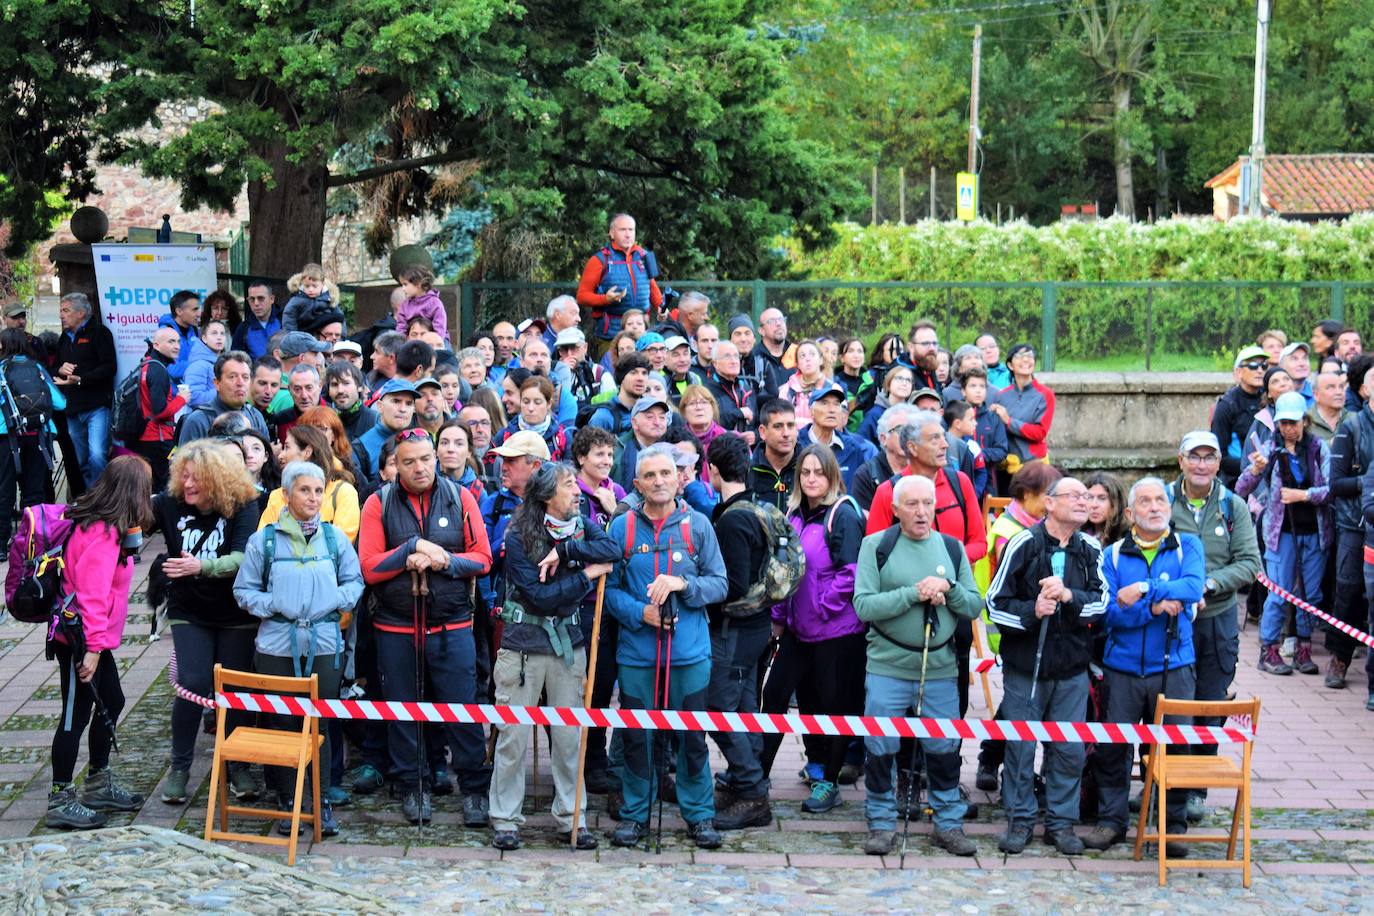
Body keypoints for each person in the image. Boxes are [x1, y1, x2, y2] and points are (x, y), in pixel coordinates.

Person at [358, 428, 493, 826]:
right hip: (395, 627)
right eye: (409, 461)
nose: (419, 468)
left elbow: (483, 559)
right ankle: (412, 786)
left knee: (462, 710)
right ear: (394, 466)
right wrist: (411, 550)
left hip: (452, 626)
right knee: (402, 712)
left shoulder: (461, 496)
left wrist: (443, 561)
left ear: (436, 458)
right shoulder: (377, 503)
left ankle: (473, 789)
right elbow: (369, 568)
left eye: (425, 459)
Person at [488, 462, 619, 851]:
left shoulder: (580, 525)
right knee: (512, 738)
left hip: (569, 648)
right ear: (547, 495)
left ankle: (571, 817)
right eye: (568, 486)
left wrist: (567, 551)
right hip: (523, 648)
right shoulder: (517, 537)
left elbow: (614, 549)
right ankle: (505, 820)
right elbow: (541, 597)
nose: (578, 492)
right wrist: (587, 575)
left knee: (568, 739)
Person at [603, 443, 728, 849]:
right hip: (638, 654)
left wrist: (683, 585)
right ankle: (636, 813)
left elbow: (720, 584)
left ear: (679, 479)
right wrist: (642, 613)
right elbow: (608, 591)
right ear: (636, 483)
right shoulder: (620, 528)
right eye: (650, 476)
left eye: (666, 474)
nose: (659, 482)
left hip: (689, 654)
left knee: (692, 738)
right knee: (638, 739)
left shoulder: (699, 526)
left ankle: (699, 814)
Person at [854, 474, 983, 857]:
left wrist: (950, 591)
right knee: (880, 747)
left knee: (944, 749)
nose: (922, 511)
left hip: (940, 667)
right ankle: (880, 822)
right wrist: (913, 595)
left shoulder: (952, 548)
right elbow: (864, 606)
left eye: (928, 503)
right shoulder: (875, 546)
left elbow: (975, 606)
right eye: (912, 504)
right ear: (895, 510)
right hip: (887, 665)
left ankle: (948, 823)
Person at [234, 459, 364, 835]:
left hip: (323, 642)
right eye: (305, 490)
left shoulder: (335, 539)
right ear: (287, 495)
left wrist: (334, 599)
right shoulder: (265, 540)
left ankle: (321, 800)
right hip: (277, 644)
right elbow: (243, 591)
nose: (313, 497)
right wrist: (272, 604)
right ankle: (289, 799)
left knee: (319, 722)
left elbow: (355, 582)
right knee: (283, 720)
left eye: (319, 491)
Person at [986, 476, 1106, 856]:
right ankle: (1020, 819)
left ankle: (1060, 822)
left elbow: (1101, 603)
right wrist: (1032, 612)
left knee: (1068, 749)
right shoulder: (1023, 543)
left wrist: (1069, 597)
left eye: (1087, 497)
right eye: (1075, 496)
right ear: (1049, 504)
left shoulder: (1090, 548)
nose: (1084, 502)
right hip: (1027, 667)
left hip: (1071, 668)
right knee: (1020, 747)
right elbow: (993, 603)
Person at [1083, 477, 1204, 853]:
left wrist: (1144, 590)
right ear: (1131, 513)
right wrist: (1151, 609)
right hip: (1122, 668)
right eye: (1146, 502)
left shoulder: (1188, 546)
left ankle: (1172, 826)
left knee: (1174, 748)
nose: (1155, 507)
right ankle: (1112, 822)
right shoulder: (1113, 555)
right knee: (1114, 748)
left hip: (1175, 664)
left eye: (1160, 501)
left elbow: (1194, 588)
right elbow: (1109, 614)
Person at [45, 455, 153, 830]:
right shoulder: (102, 534)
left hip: (92, 640)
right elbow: (91, 596)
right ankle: (60, 797)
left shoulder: (109, 528)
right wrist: (92, 650)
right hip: (78, 641)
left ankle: (97, 782)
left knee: (113, 700)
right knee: (74, 714)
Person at [152, 441, 261, 806]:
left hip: (235, 612)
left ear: (217, 480)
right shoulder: (169, 504)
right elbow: (129, 511)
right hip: (190, 609)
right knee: (193, 682)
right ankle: (180, 767)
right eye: (183, 476)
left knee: (234, 687)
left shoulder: (244, 506)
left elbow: (242, 558)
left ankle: (238, 764)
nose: (187, 485)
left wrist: (202, 567)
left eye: (196, 478)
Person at [759, 444, 866, 812]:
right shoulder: (794, 513)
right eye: (805, 472)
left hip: (837, 632)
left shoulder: (843, 515)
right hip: (797, 629)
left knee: (834, 706)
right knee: (776, 696)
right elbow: (788, 569)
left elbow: (851, 575)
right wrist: (779, 616)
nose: (811, 479)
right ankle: (758, 774)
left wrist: (821, 606)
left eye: (818, 472)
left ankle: (829, 780)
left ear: (832, 475)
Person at [1167, 430, 1261, 823]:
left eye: (1209, 457)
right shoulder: (1163, 498)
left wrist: (1209, 583)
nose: (1202, 464)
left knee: (1209, 702)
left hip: (1216, 618)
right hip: (1171, 617)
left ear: (1220, 463)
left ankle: (1195, 790)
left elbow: (1249, 563)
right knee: (1170, 705)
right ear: (1181, 460)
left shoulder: (1232, 505)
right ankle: (1165, 785)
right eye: (1195, 457)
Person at [700, 433, 775, 831]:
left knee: (717, 709)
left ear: (712, 470)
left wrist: (693, 587)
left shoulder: (733, 519)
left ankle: (750, 791)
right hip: (756, 626)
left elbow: (732, 586)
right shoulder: (758, 506)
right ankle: (747, 779)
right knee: (744, 708)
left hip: (733, 629)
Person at [1236, 391, 1331, 676]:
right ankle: (1269, 649)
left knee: (1309, 595)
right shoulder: (1270, 448)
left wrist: (1304, 495)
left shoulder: (1318, 448)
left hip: (1315, 533)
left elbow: (1331, 489)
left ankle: (1303, 647)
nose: (1288, 428)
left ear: (1304, 420)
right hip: (1281, 534)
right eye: (1283, 422)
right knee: (1278, 593)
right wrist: (1255, 469)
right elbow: (1241, 489)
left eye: (1293, 422)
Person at [1328, 355, 1374, 689]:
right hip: (1355, 525)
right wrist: (1368, 483)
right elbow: (1335, 483)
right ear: (1363, 388)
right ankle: (1340, 658)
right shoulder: (1353, 426)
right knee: (1347, 591)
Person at [0, 329, 65, 546]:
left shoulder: (1, 369)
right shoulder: (36, 368)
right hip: (37, 436)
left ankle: (1, 545)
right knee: (34, 490)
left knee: (4, 490)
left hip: (5, 437)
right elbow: (59, 402)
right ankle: (32, 541)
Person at [52, 293, 116, 488]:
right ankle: (91, 500)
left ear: (81, 313)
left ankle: (104, 501)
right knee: (82, 460)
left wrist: (80, 379)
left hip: (96, 406)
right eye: (61, 311)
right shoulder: (64, 338)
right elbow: (54, 368)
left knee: (97, 455)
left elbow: (109, 367)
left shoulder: (100, 333)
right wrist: (60, 369)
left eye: (66, 310)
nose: (62, 315)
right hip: (72, 409)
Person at [576, 213, 664, 349]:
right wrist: (605, 299)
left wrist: (662, 307)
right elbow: (581, 297)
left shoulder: (644, 255)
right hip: (611, 335)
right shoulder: (599, 260)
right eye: (622, 230)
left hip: (642, 333)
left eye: (631, 230)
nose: (628, 234)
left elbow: (651, 287)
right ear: (611, 233)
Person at [260, 424, 362, 541]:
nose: (281, 455)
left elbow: (341, 544)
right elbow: (264, 542)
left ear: (307, 452)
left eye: (287, 447)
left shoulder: (343, 492)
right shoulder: (278, 495)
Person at [134, 326, 190, 490]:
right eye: (171, 342)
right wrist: (181, 399)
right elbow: (159, 412)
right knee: (168, 484)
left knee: (151, 485)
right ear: (156, 345)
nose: (177, 346)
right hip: (158, 439)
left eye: (178, 341)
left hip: (146, 437)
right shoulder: (158, 369)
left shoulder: (147, 363)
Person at [176, 351, 269, 445]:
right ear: (217, 383)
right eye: (232, 377)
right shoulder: (198, 420)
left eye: (245, 377)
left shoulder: (256, 417)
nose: (240, 383)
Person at [989, 343, 1054, 475]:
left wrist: (1009, 421)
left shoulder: (1045, 394)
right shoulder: (1001, 396)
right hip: (1005, 466)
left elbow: (1040, 432)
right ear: (1010, 365)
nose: (1025, 360)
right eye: (1019, 356)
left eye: (1029, 356)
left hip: (1034, 467)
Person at [798, 383, 877, 491]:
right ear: (811, 412)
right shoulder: (796, 445)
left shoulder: (853, 448)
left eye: (836, 404)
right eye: (824, 403)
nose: (832, 410)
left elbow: (860, 490)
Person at [1211, 345, 1269, 488]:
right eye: (1253, 366)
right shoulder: (1227, 405)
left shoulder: (1270, 398)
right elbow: (1219, 454)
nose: (1260, 370)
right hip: (1236, 479)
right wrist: (1251, 468)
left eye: (1264, 365)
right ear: (1238, 372)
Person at [490, 374, 568, 462]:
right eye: (526, 402)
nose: (531, 408)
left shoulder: (562, 437)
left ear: (549, 404)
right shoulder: (504, 435)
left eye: (537, 402)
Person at [355, 379, 418, 486]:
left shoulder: (421, 440)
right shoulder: (361, 448)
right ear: (380, 406)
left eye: (409, 403)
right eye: (396, 401)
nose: (403, 409)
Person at [612, 396, 669, 492]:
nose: (657, 422)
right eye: (650, 417)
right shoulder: (616, 450)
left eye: (662, 417)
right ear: (634, 423)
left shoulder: (670, 450)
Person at [703, 341, 757, 442]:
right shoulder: (707, 391)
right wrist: (739, 413)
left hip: (747, 450)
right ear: (715, 364)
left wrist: (755, 435)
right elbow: (709, 423)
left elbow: (758, 421)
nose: (734, 361)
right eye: (727, 357)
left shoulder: (746, 388)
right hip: (720, 448)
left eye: (736, 356)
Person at [589, 352, 651, 436]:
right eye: (633, 372)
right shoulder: (604, 417)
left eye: (644, 373)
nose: (640, 378)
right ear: (621, 378)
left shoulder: (652, 411)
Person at [777, 340, 830, 428]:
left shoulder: (832, 389)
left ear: (821, 360)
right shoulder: (787, 389)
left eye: (812, 354)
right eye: (802, 356)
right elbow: (782, 419)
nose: (807, 359)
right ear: (797, 364)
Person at [857, 365, 914, 445]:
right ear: (889, 383)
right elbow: (861, 444)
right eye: (899, 378)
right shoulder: (874, 414)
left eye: (908, 380)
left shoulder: (912, 415)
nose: (904, 383)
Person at [325, 360, 377, 441]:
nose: (340, 390)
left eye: (346, 383)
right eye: (334, 384)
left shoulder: (375, 421)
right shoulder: (324, 421)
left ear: (360, 387)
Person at [395, 264, 448, 344]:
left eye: (405, 284)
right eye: (402, 285)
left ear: (418, 283)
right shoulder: (405, 306)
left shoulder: (435, 303)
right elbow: (401, 329)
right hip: (411, 342)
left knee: (446, 353)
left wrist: (434, 344)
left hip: (435, 341)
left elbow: (440, 329)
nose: (403, 289)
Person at [749, 308, 796, 396]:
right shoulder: (753, 357)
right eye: (771, 321)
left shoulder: (797, 353)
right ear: (761, 331)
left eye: (781, 319)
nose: (778, 324)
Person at [158, 290, 202, 383]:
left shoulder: (195, 330)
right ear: (179, 311)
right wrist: (200, 363)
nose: (199, 313)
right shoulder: (165, 333)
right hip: (174, 395)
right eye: (195, 309)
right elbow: (173, 370)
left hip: (192, 390)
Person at [184, 319, 229, 407]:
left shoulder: (224, 361)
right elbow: (193, 398)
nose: (219, 337)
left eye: (222, 333)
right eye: (214, 333)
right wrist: (224, 390)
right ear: (204, 338)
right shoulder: (198, 365)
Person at [231, 282, 281, 359]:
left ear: (272, 299)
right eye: (252, 299)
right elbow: (236, 361)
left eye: (260, 298)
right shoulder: (242, 329)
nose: (256, 303)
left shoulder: (285, 321)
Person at [679, 384, 727, 459]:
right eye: (692, 403)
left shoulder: (728, 439)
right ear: (684, 411)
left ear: (713, 408)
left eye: (704, 402)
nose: (699, 407)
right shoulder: (676, 442)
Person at [1083, 470, 1129, 545]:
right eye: (1090, 497)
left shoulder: (1126, 539)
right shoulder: (1078, 536)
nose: (1094, 505)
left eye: (1102, 498)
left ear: (1116, 502)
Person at [900, 320, 942, 394]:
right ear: (911, 347)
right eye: (926, 343)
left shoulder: (929, 367)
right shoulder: (900, 375)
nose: (932, 348)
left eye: (934, 343)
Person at [1307, 370, 1349, 443]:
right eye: (1330, 388)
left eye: (1341, 387)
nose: (1339, 392)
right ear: (1316, 395)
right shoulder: (1305, 421)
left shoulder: (1355, 420)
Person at [1280, 341, 1314, 406]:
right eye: (1294, 359)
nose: (1301, 364)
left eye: (1305, 358)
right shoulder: (1276, 395)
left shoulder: (1318, 394)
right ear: (1282, 366)